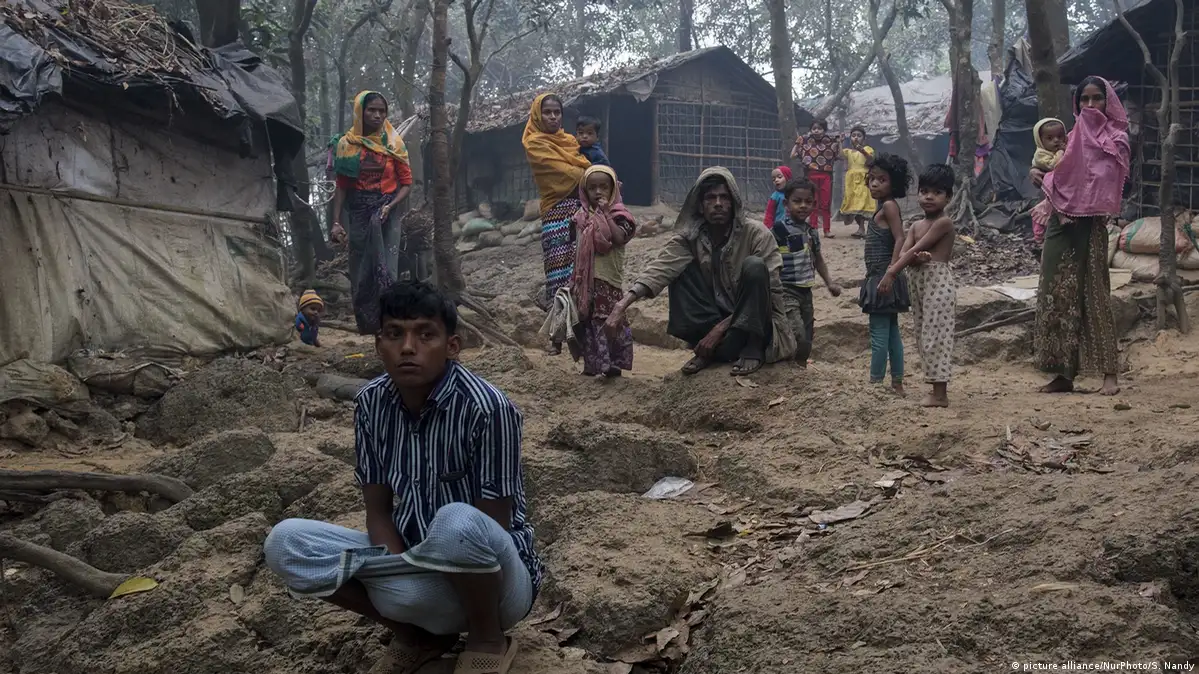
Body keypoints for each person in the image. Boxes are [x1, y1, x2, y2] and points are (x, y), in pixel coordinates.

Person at [263, 282, 540, 674]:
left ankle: (487, 639)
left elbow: (494, 522)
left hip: (496, 585)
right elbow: (378, 511)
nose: (408, 347)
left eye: (426, 335)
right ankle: (416, 635)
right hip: (417, 563)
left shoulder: (488, 409)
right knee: (285, 542)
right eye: (395, 334)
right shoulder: (371, 403)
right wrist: (398, 575)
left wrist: (401, 579)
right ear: (379, 345)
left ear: (452, 346)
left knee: (455, 521)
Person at [605, 167, 797, 376]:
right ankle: (707, 348)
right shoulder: (691, 236)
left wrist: (720, 330)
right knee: (679, 269)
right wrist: (621, 306)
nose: (718, 204)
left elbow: (770, 295)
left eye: (724, 197)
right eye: (710, 198)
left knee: (755, 267)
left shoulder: (756, 233)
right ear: (700, 204)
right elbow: (660, 268)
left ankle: (751, 348)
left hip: (756, 327)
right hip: (719, 326)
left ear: (733, 202)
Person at [1029, 76, 1127, 397]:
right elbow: (1055, 174)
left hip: (1092, 225)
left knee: (1095, 294)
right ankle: (1062, 374)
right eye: (1084, 99)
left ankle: (1109, 373)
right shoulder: (1068, 139)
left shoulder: (1116, 139)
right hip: (1061, 225)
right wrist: (1037, 175)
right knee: (1056, 293)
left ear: (1108, 102)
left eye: (1096, 98)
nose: (1090, 105)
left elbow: (1105, 180)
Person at [329, 91, 416, 335]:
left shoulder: (393, 144)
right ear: (360, 112)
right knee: (361, 272)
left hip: (387, 213)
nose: (377, 115)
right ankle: (369, 325)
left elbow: (406, 183)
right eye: (372, 110)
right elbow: (342, 186)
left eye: (382, 111)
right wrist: (336, 221)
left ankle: (390, 325)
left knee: (387, 270)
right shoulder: (346, 145)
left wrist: (390, 206)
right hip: (359, 215)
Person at [879, 164, 957, 407]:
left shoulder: (944, 223)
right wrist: (914, 259)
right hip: (919, 285)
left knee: (936, 335)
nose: (929, 197)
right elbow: (908, 252)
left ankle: (940, 394)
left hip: (938, 284)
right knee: (923, 334)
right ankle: (934, 388)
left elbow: (914, 249)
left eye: (937, 192)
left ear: (948, 197)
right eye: (924, 191)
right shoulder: (915, 225)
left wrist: (892, 271)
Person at [523, 93, 593, 355]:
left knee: (583, 273)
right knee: (557, 275)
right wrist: (592, 173)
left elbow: (581, 171)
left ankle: (583, 337)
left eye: (557, 112)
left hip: (581, 211)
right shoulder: (535, 143)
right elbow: (568, 174)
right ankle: (556, 337)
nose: (553, 117)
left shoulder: (571, 142)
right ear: (538, 115)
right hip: (555, 214)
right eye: (548, 112)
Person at [570, 165, 637, 377]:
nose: (598, 192)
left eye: (603, 187)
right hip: (587, 282)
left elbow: (619, 238)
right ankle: (592, 366)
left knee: (608, 319)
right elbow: (577, 249)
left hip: (608, 279)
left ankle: (612, 364)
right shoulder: (581, 217)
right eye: (592, 188)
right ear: (585, 191)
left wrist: (606, 213)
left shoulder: (621, 215)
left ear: (613, 189)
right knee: (588, 321)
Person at [773, 178, 842, 363]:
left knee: (808, 334)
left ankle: (801, 367)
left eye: (808, 201)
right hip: (786, 290)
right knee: (797, 332)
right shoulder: (779, 230)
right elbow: (769, 258)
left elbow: (818, 259)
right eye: (797, 201)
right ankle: (789, 365)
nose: (803, 206)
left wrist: (829, 283)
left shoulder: (812, 232)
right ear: (786, 203)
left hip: (806, 291)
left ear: (814, 204)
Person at [860, 153, 911, 394]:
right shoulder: (883, 206)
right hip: (883, 276)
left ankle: (876, 384)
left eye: (882, 180)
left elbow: (900, 238)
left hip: (882, 277)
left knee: (879, 334)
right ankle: (897, 383)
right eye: (872, 179)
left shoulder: (889, 206)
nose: (874, 184)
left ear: (894, 183)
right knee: (891, 334)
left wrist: (890, 273)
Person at [791, 119, 843, 237]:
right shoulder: (806, 142)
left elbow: (841, 156)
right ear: (810, 130)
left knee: (825, 203)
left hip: (826, 176)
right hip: (811, 175)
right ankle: (813, 229)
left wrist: (839, 143)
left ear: (824, 130)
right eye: (814, 128)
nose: (816, 131)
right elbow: (793, 155)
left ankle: (827, 230)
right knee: (813, 202)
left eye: (819, 128)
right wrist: (797, 143)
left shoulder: (830, 142)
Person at [1029, 118, 1068, 246]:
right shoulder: (1040, 154)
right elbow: (1054, 165)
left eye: (1060, 136)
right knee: (1044, 212)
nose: (1056, 141)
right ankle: (1040, 237)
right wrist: (1061, 151)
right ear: (1040, 140)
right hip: (1049, 191)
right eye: (1050, 138)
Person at [839, 127, 876, 238]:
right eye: (853, 135)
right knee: (853, 204)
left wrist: (862, 150)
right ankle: (861, 228)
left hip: (864, 178)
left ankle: (866, 229)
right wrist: (840, 142)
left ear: (864, 138)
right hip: (851, 180)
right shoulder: (848, 151)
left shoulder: (868, 149)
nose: (856, 138)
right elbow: (840, 155)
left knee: (863, 203)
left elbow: (870, 160)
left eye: (859, 136)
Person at [763, 165, 793, 230]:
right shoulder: (775, 196)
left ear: (787, 178)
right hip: (779, 229)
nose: (776, 180)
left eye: (779, 177)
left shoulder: (794, 194)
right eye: (773, 179)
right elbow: (769, 214)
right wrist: (767, 228)